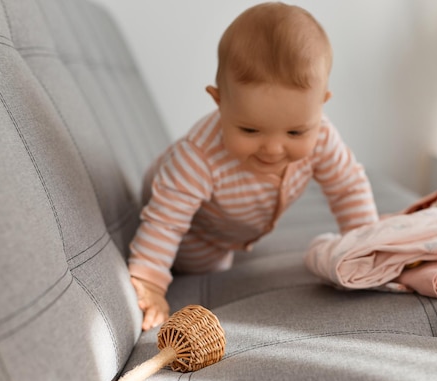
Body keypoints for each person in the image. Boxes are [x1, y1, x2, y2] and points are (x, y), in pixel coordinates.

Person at [128, 2, 379, 330]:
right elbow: (165, 222)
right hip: (195, 236)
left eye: (295, 131)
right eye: (250, 130)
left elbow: (348, 188)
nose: (273, 149)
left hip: (234, 228)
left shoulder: (322, 137)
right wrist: (150, 283)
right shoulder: (198, 158)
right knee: (210, 265)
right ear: (219, 102)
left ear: (321, 104)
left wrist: (368, 247)